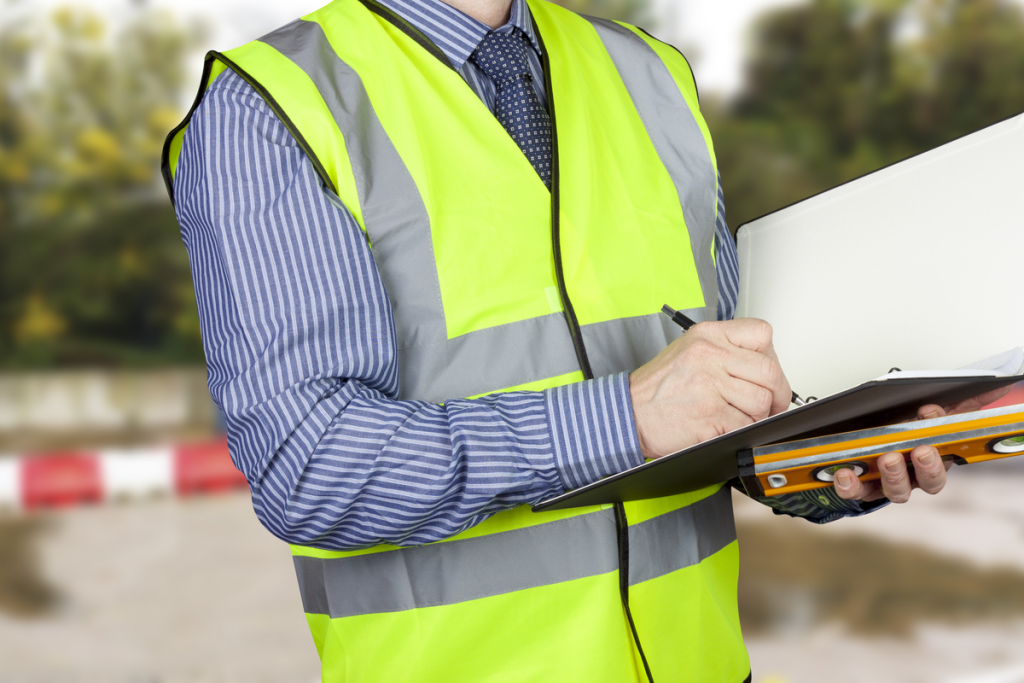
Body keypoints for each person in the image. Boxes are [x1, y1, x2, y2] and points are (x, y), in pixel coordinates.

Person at [162, 0, 998, 680]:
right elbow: (310, 468)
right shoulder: (272, 108)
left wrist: (827, 467)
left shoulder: (649, 74)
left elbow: (727, 404)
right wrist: (624, 417)